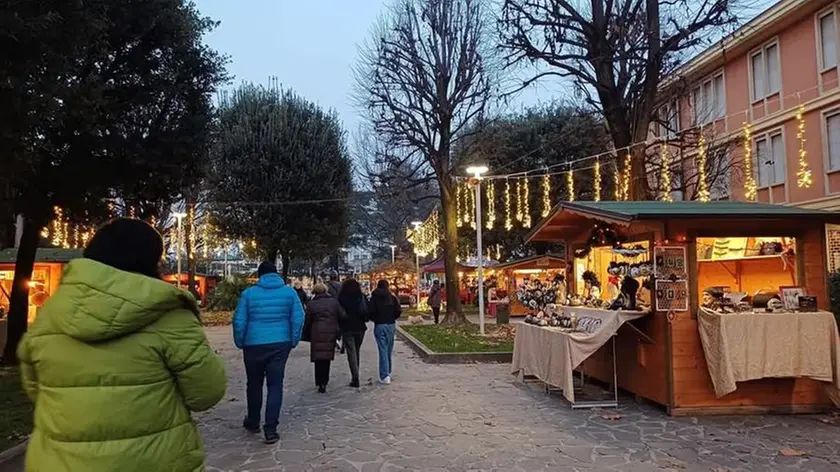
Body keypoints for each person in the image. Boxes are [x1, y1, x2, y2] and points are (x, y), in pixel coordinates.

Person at [16, 218, 226, 471]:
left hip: (58, 461)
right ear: (149, 259)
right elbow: (207, 392)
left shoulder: (50, 314)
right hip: (152, 459)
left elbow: (35, 388)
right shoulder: (168, 315)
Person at [233, 260, 304, 444]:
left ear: (259, 275)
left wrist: (241, 342)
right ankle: (271, 429)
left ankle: (253, 421)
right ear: (277, 274)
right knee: (275, 385)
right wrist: (293, 340)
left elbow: (239, 321)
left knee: (254, 384)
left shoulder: (248, 294)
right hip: (280, 343)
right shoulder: (289, 293)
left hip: (253, 343)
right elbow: (298, 317)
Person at [304, 283, 344, 393]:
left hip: (316, 331)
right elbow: (342, 315)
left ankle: (319, 381)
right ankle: (324, 382)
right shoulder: (333, 303)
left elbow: (307, 320)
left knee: (318, 357)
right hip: (330, 331)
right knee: (326, 357)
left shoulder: (311, 304)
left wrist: (306, 334)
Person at [369, 279, 401, 385]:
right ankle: (388, 371)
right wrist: (392, 318)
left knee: (382, 349)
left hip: (379, 324)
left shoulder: (374, 298)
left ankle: (384, 375)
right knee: (388, 349)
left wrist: (376, 319)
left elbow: (370, 311)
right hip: (390, 324)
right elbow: (398, 311)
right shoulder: (392, 298)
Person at [337, 278, 368, 388]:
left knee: (351, 352)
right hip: (360, 327)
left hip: (347, 327)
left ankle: (355, 377)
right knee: (357, 350)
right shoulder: (361, 296)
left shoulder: (341, 297)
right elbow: (366, 310)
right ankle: (356, 372)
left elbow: (338, 312)